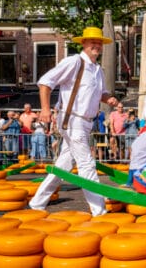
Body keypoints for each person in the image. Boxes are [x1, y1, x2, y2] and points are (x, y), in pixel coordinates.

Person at [29, 26, 119, 216]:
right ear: (84, 43)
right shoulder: (74, 62)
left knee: (63, 166)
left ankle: (36, 203)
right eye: (93, 42)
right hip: (72, 120)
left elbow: (101, 93)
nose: (97, 45)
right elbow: (45, 82)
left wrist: (108, 98)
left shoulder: (97, 70)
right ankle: (99, 211)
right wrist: (45, 109)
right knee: (86, 164)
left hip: (86, 122)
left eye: (99, 43)